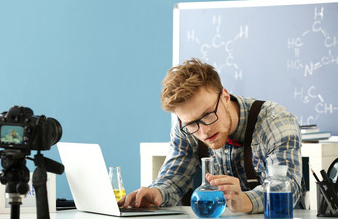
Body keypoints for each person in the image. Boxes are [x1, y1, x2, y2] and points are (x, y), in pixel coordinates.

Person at [119, 58, 305, 213]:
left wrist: (245, 200)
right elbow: (172, 181)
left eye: (208, 114)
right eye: (192, 123)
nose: (204, 130)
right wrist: (157, 193)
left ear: (225, 96)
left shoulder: (275, 121)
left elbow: (288, 188)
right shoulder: (186, 127)